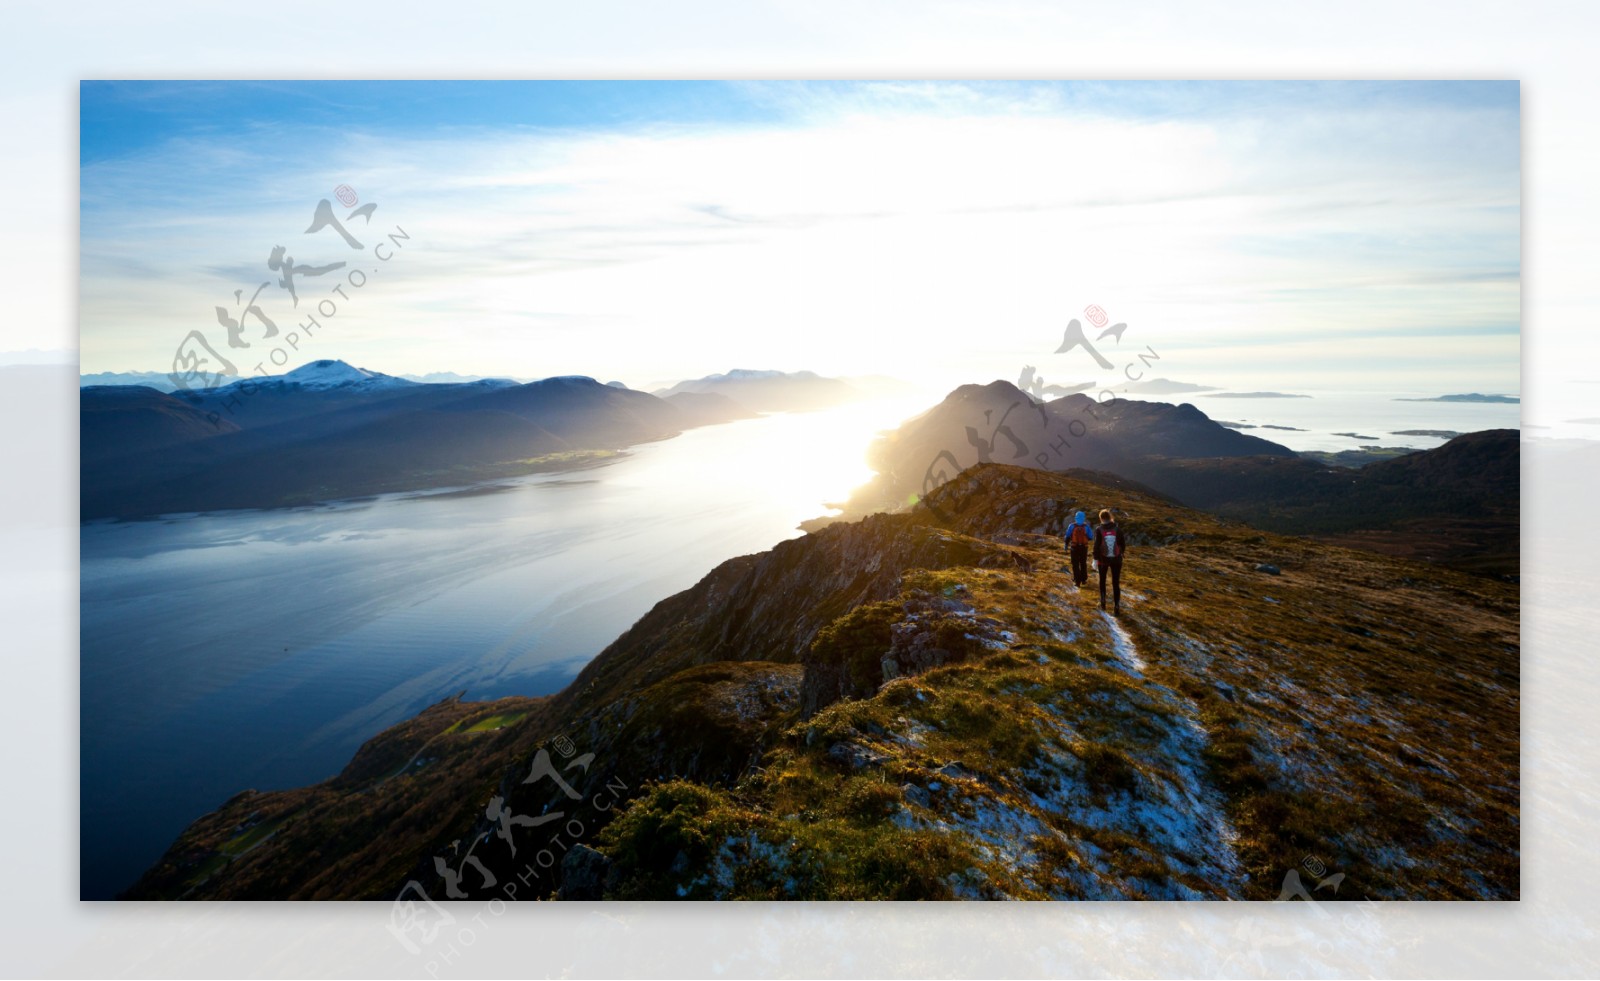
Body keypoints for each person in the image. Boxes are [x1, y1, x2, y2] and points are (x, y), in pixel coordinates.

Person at [1092, 507, 1126, 614]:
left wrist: (1095, 559)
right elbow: (1123, 544)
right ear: (1110, 517)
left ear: (1101, 518)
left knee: (1102, 581)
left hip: (1103, 559)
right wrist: (1121, 553)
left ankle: (1103, 603)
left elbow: (1096, 546)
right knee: (1115, 583)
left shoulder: (1099, 530)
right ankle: (1116, 607)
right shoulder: (1117, 529)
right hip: (1116, 560)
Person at [1064, 510, 1092, 587]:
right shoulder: (1086, 527)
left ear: (1076, 517)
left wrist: (1066, 545)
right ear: (1084, 518)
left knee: (1075, 564)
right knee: (1083, 563)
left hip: (1074, 547)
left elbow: (1067, 536)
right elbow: (1091, 537)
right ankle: (1084, 579)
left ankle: (1077, 581)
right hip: (1084, 547)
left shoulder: (1072, 526)